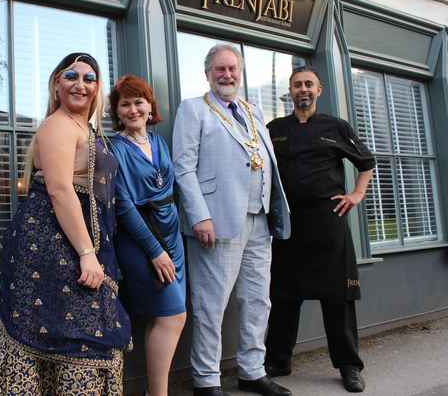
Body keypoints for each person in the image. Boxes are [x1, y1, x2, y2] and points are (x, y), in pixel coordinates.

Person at [0, 53, 132, 396]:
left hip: (77, 241)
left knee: (80, 332)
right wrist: (87, 252)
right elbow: (61, 190)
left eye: (89, 78)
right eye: (71, 76)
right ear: (56, 84)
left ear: (97, 88)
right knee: (69, 333)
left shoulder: (87, 129)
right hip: (51, 245)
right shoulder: (58, 125)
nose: (80, 84)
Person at [172, 44, 292, 396]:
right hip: (217, 222)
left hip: (259, 220)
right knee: (212, 305)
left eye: (232, 69)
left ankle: (252, 371)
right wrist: (200, 216)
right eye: (220, 69)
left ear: (240, 73)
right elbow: (184, 167)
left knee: (258, 300)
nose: (227, 75)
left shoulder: (252, 111)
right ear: (207, 73)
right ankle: (206, 380)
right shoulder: (194, 109)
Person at [264, 66, 375, 393]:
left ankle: (349, 366)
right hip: (288, 225)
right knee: (283, 296)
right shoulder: (274, 129)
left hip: (328, 224)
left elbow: (366, 163)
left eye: (308, 84)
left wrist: (356, 195)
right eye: (297, 85)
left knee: (338, 298)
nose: (303, 90)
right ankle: (278, 360)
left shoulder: (336, 127)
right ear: (290, 91)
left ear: (319, 90)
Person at [109, 75, 187, 396]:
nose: (133, 109)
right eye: (125, 104)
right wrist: (155, 251)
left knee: (163, 318)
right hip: (141, 241)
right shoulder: (113, 147)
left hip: (173, 237)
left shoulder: (158, 141)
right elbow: (124, 206)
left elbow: (169, 189)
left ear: (150, 105)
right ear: (117, 111)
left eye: (138, 102)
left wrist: (173, 239)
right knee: (173, 316)